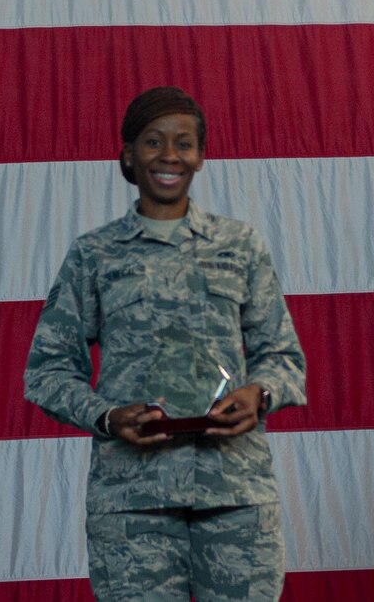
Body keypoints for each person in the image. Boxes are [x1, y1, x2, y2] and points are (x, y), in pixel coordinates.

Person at [24, 86, 306, 601]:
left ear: (201, 156)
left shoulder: (240, 245)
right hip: (132, 502)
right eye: (153, 142)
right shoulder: (94, 254)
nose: (170, 156)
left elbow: (283, 357)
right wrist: (108, 417)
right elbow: (45, 372)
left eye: (184, 143)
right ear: (128, 154)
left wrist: (259, 395)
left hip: (235, 495)